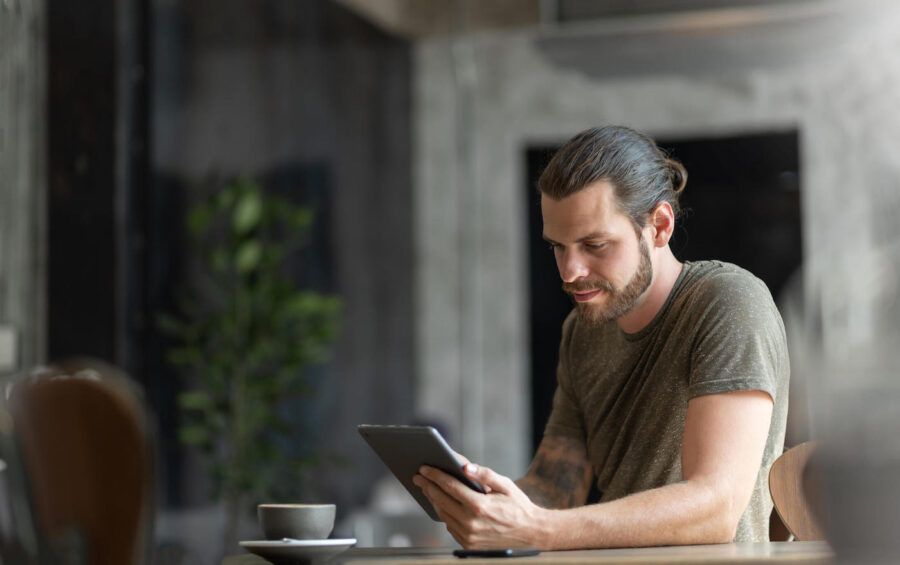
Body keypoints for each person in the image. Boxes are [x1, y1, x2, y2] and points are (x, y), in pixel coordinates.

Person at [412, 125, 789, 549]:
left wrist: (536, 529)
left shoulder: (728, 302)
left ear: (660, 226)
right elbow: (555, 488)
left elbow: (716, 509)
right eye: (558, 246)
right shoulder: (583, 329)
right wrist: (483, 500)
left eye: (595, 244)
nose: (570, 271)